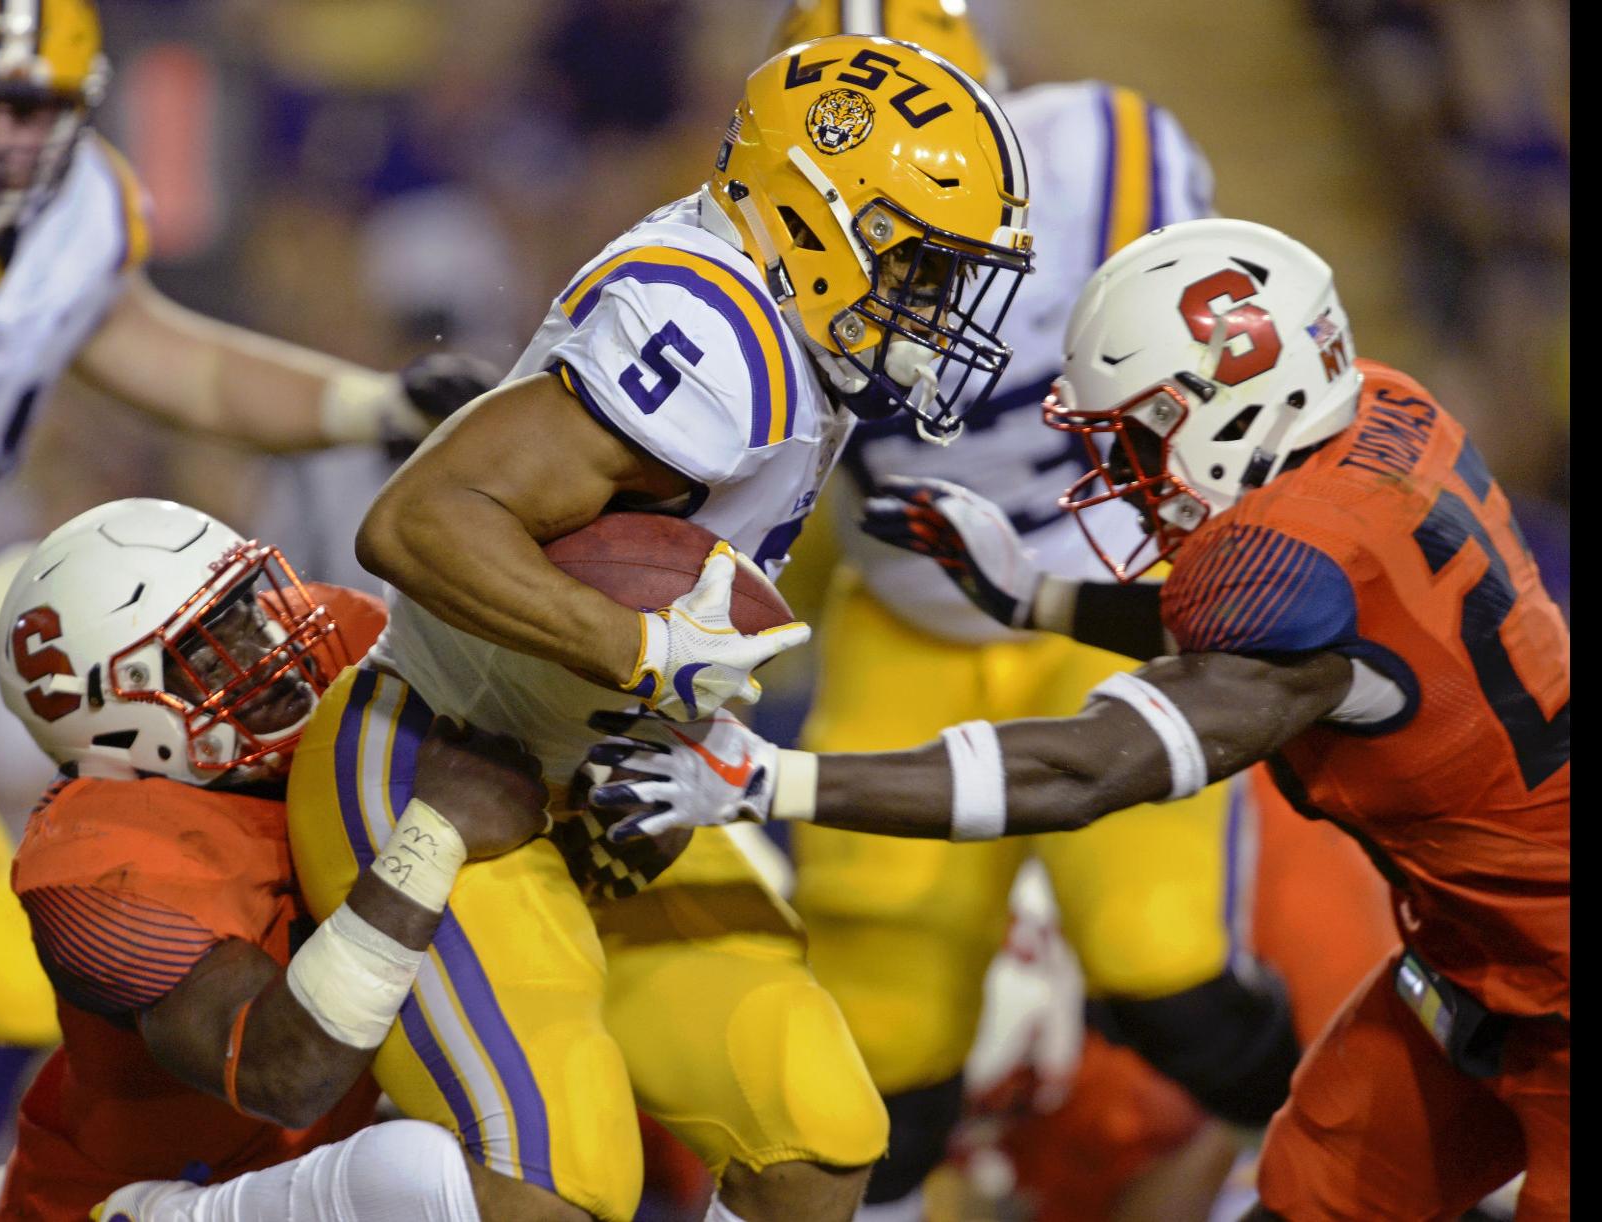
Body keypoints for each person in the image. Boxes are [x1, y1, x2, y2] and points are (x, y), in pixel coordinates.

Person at [589, 217, 1571, 1222]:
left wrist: (767, 782)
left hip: (1554, 977)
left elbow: (1086, 770)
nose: (1126, 464)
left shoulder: (1296, 575)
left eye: (1143, 430)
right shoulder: (1380, 415)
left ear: (1234, 414)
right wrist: (1039, 603)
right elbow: (1329, 637)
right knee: (1309, 1192)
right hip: (1478, 955)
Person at [287, 31, 1034, 1222]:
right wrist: (639, 653)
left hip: (622, 777)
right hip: (446, 746)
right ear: (813, 226)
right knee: (556, 1185)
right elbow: (419, 521)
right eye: (920, 269)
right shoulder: (715, 338)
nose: (936, 308)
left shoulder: (785, 318)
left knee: (820, 1135)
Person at [764, 4, 1301, 1215]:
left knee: (1168, 974)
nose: (895, 187)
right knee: (883, 1043)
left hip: (1111, 589)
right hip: (913, 611)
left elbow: (1235, 392)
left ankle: (1320, 1161)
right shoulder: (753, 237)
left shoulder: (1114, 159)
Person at [0, 0, 497, 1152]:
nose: (3, 140)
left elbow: (157, 352)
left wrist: (366, 403)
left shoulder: (81, 204)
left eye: (33, 107)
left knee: (0, 988)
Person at [0, 499, 551, 1221]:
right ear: (114, 717)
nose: (264, 647)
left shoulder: (336, 644)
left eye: (243, 607)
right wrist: (432, 834)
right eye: (202, 646)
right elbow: (286, 1074)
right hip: (122, 1195)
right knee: (417, 1173)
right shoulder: (99, 865)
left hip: (305, 1170)